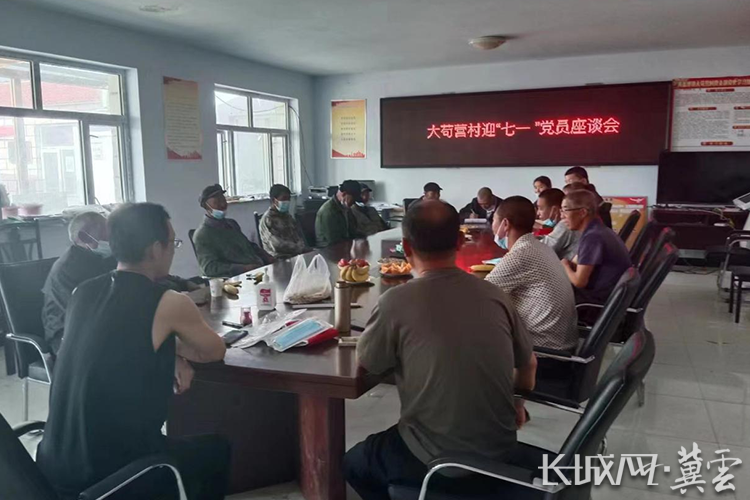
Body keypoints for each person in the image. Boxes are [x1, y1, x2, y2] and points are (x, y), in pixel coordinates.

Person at [344, 200, 537, 500]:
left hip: (436, 461)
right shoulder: (495, 295)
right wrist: (517, 402)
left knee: (354, 463)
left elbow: (368, 364)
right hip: (501, 452)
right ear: (459, 241)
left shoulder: (395, 301)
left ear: (406, 247)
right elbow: (529, 365)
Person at [37, 203, 230, 500]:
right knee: (216, 450)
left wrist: (172, 353)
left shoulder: (83, 292)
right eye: (173, 242)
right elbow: (214, 350)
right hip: (113, 472)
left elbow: (116, 341)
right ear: (155, 249)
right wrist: (176, 349)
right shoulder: (168, 300)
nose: (173, 250)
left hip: (53, 465)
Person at [485, 197, 578, 351]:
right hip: (562, 344)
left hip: (543, 351)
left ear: (505, 224)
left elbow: (480, 295)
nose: (492, 225)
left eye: (494, 220)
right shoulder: (539, 247)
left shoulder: (521, 254)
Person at [41, 212, 115, 355]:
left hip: (97, 327)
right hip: (67, 336)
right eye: (105, 234)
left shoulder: (103, 258)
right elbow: (83, 312)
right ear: (84, 237)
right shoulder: (67, 269)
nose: (111, 239)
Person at [561, 190, 632, 304]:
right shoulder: (597, 229)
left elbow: (579, 282)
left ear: (582, 212)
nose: (561, 216)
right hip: (607, 293)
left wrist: (564, 265)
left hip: (595, 301)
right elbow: (577, 260)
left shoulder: (592, 237)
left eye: (565, 210)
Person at [193, 184, 274, 277]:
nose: (222, 204)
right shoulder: (203, 235)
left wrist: (267, 256)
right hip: (236, 278)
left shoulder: (231, 224)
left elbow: (248, 246)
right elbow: (209, 268)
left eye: (223, 200)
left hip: (256, 270)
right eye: (217, 202)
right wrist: (243, 268)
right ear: (206, 207)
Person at [259, 184, 310, 259]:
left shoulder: (287, 216)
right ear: (274, 200)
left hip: (295, 254)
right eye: (284, 198)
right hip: (278, 258)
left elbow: (297, 235)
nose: (287, 201)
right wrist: (298, 248)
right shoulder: (268, 219)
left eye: (288, 199)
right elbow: (276, 245)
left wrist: (301, 246)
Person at [315, 179, 363, 247]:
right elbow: (333, 240)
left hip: (344, 245)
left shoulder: (346, 208)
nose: (354, 203)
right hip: (328, 249)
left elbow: (352, 231)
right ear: (344, 194)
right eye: (353, 199)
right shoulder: (328, 211)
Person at [536, 188, 580, 261]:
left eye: (540, 208)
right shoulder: (560, 223)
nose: (538, 213)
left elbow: (543, 248)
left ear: (555, 210)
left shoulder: (565, 224)